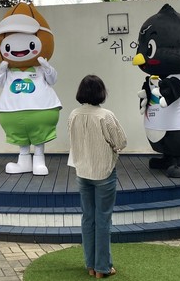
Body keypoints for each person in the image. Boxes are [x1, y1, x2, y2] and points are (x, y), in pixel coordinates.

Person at [68, 75, 127, 278]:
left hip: (82, 171)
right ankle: (102, 267)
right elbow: (121, 141)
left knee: (88, 218)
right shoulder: (105, 115)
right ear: (101, 92)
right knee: (103, 219)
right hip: (103, 172)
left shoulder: (74, 114)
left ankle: (91, 265)